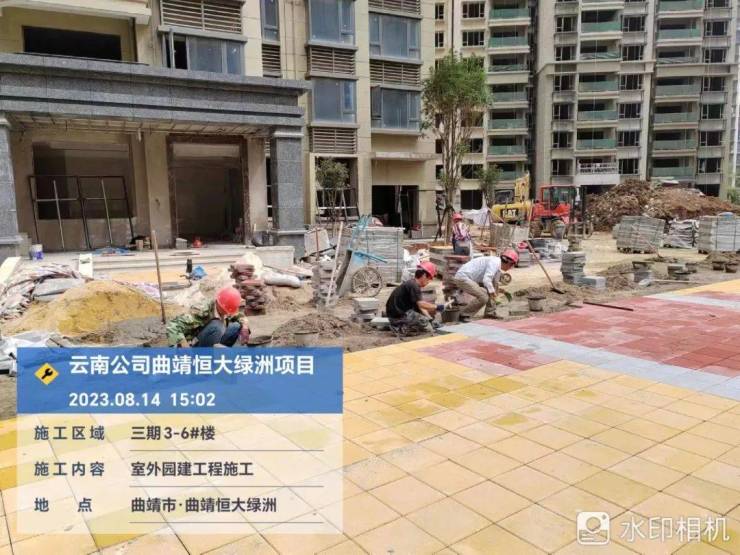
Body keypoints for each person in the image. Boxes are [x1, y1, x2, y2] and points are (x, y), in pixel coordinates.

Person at [167, 286, 250, 347]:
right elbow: (172, 325)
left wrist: (245, 326)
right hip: (193, 344)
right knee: (217, 327)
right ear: (220, 306)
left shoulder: (224, 309)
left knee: (236, 326)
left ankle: (219, 351)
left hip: (209, 338)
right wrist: (184, 345)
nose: (228, 314)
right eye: (226, 311)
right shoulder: (201, 310)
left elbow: (238, 315)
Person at [453, 249, 518, 321]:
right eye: (512, 265)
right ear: (509, 262)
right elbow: (486, 280)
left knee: (494, 285)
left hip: (471, 278)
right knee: (483, 297)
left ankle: (490, 312)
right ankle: (464, 315)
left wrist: (499, 291)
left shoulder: (497, 265)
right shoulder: (495, 263)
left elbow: (493, 284)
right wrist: (492, 293)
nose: (511, 268)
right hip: (462, 278)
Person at [386, 261, 439, 334]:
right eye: (429, 278)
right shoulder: (414, 286)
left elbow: (420, 307)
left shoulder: (412, 283)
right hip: (398, 317)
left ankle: (399, 325)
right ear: (424, 275)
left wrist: (429, 318)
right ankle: (400, 327)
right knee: (423, 323)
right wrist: (437, 307)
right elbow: (421, 304)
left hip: (396, 314)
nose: (429, 282)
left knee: (426, 320)